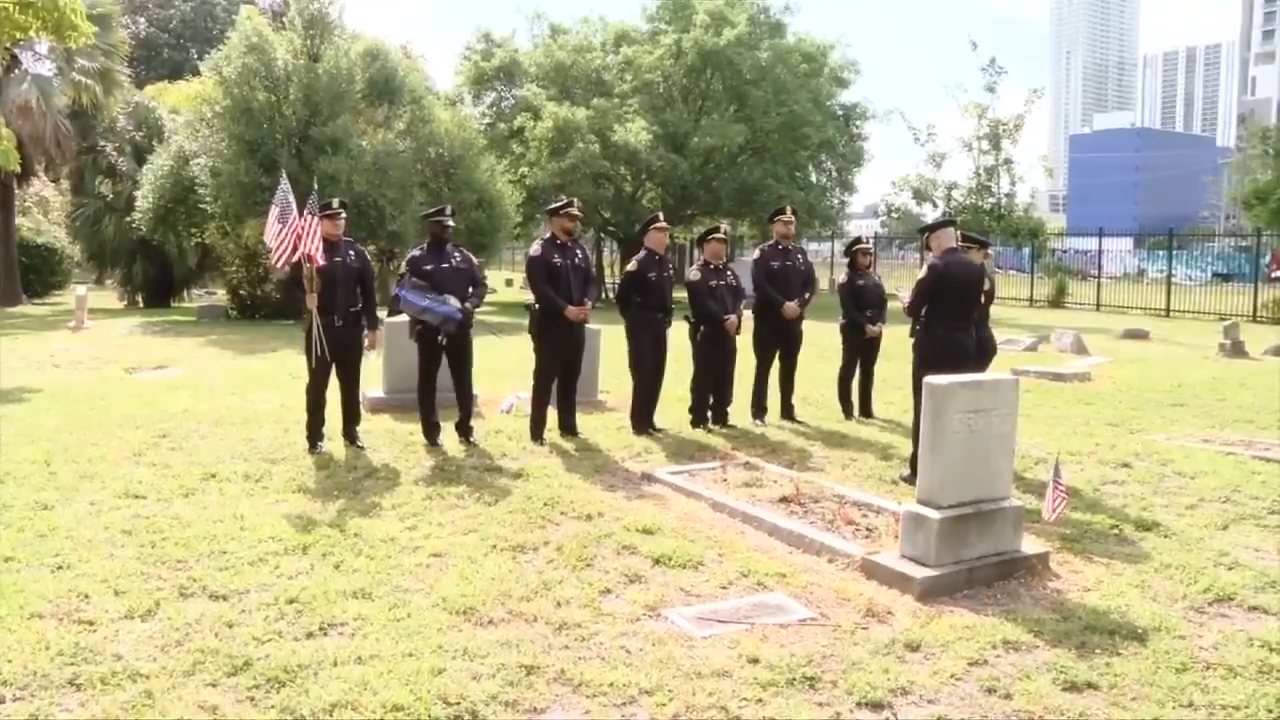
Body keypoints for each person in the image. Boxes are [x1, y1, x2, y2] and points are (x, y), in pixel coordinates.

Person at [898, 216, 986, 484]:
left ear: (936, 240)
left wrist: (905, 301)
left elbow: (914, 309)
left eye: (931, 243)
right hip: (964, 345)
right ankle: (955, 465)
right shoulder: (975, 269)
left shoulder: (935, 267)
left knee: (924, 406)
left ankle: (919, 469)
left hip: (933, 346)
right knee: (955, 409)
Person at [288, 198, 380, 454]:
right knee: (318, 385)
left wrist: (372, 327)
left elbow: (369, 292)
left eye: (341, 219)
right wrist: (304, 301)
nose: (338, 223)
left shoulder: (356, 252)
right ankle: (315, 437)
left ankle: (351, 432)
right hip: (322, 329)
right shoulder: (308, 253)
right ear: (320, 222)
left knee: (350, 384)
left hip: (350, 330)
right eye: (331, 219)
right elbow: (291, 287)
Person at [396, 204, 488, 448]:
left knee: (463, 380)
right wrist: (436, 309)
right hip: (428, 330)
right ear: (429, 227)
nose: (447, 231)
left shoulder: (463, 256)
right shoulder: (416, 259)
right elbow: (404, 295)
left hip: (459, 328)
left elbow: (480, 286)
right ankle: (431, 431)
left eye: (449, 227)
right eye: (442, 226)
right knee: (427, 381)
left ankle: (465, 428)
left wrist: (468, 306)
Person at [524, 196, 599, 445]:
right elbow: (540, 287)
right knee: (545, 379)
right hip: (550, 324)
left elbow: (591, 280)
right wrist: (564, 308)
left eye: (577, 219)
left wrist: (588, 302)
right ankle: (537, 431)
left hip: (576, 324)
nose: (575, 223)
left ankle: (568, 427)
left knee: (571, 376)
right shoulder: (541, 250)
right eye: (570, 218)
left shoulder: (579, 249)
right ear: (554, 219)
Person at [749, 205, 817, 426]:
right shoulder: (764, 253)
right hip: (769, 319)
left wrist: (801, 303)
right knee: (764, 366)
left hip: (794, 320)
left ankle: (787, 410)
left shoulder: (800, 253)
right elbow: (761, 284)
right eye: (784, 222)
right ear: (774, 226)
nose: (789, 226)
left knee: (789, 365)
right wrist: (782, 304)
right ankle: (759, 413)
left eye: (791, 222)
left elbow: (810, 283)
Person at [616, 212, 674, 435]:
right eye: (660, 231)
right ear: (647, 236)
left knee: (657, 371)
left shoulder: (666, 263)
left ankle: (649, 419)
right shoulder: (638, 264)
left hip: (660, 324)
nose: (665, 235)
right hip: (641, 324)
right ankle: (639, 423)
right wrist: (634, 321)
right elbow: (622, 298)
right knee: (643, 371)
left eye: (666, 231)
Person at [685, 223, 745, 430]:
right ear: (705, 245)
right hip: (708, 331)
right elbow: (703, 302)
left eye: (724, 243)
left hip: (729, 332)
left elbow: (740, 296)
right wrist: (723, 320)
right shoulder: (697, 273)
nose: (722, 246)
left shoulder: (729, 272)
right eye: (718, 242)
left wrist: (736, 316)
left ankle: (721, 415)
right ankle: (699, 417)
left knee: (725, 374)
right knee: (704, 375)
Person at [836, 236, 887, 420]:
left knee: (868, 369)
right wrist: (865, 325)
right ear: (853, 256)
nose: (867, 258)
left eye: (869, 254)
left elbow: (883, 303)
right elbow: (848, 307)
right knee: (849, 368)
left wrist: (880, 323)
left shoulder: (875, 277)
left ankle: (866, 410)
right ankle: (847, 410)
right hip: (854, 328)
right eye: (863, 254)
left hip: (875, 328)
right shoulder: (846, 279)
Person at [960, 230, 998, 372]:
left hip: (976, 338)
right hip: (974, 337)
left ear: (979, 252)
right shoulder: (976, 272)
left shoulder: (980, 276)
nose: (961, 254)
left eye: (966, 250)